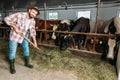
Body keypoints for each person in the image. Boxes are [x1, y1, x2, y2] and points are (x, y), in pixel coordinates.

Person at [4, 6, 40, 74]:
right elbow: (6, 19)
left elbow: (32, 31)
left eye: (35, 14)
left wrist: (35, 42)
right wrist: (14, 26)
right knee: (12, 51)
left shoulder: (32, 20)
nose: (34, 14)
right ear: (29, 10)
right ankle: (12, 66)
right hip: (15, 36)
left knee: (26, 49)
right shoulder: (19, 15)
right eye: (33, 12)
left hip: (24, 36)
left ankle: (27, 63)